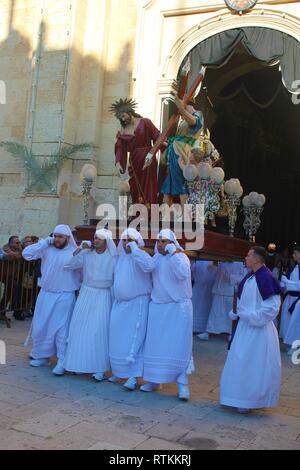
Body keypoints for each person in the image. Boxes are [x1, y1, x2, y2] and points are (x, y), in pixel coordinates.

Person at [220, 246, 281, 414]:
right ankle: (237, 396)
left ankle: (250, 400)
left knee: (253, 364)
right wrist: (237, 313)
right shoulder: (250, 276)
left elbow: (272, 308)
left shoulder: (266, 278)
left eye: (248, 256)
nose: (246, 258)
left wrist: (249, 316)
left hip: (258, 331)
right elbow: (244, 301)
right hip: (244, 328)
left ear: (257, 259)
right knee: (239, 361)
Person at [138, 229, 193, 401]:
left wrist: (174, 254)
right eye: (159, 241)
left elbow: (182, 274)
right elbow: (147, 267)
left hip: (178, 308)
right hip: (158, 307)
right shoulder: (156, 258)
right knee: (155, 345)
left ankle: (183, 384)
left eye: (165, 241)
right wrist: (135, 250)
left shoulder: (181, 257)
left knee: (179, 346)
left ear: (172, 243)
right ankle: (154, 380)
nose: (161, 244)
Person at [22, 225, 81, 375]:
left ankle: (62, 360)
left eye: (60, 236)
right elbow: (26, 254)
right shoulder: (46, 249)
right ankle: (42, 356)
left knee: (61, 329)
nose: (57, 239)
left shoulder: (74, 252)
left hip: (64, 295)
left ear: (68, 238)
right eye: (55, 236)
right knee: (41, 326)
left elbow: (81, 272)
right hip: (46, 294)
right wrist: (44, 242)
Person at [63, 229, 117, 379]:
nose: (96, 241)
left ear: (106, 241)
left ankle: (99, 368)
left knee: (99, 330)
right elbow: (69, 264)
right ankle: (78, 364)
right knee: (79, 329)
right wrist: (79, 249)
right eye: (95, 238)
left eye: (99, 239)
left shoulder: (114, 257)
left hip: (103, 295)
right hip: (86, 293)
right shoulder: (86, 254)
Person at [109, 228, 152, 390]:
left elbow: (149, 266)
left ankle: (133, 376)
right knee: (117, 338)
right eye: (125, 240)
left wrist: (135, 249)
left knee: (134, 340)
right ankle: (119, 372)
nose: (127, 243)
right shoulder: (120, 258)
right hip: (119, 304)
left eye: (130, 240)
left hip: (137, 303)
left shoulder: (141, 255)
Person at [110, 98, 161, 206]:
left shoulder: (145, 122)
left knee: (149, 187)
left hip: (148, 159)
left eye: (123, 116)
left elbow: (157, 136)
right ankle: (139, 214)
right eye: (120, 118)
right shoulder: (123, 131)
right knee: (135, 187)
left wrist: (162, 145)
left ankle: (151, 215)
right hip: (134, 162)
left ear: (129, 112)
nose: (122, 119)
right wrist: (118, 162)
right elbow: (119, 147)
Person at [160, 95, 204, 210]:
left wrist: (182, 109)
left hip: (181, 152)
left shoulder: (198, 114)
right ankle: (164, 218)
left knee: (181, 184)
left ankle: (186, 218)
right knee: (168, 187)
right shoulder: (183, 118)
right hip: (175, 150)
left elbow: (194, 123)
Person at [199, 261, 247, 340]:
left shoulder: (240, 263)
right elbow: (210, 270)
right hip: (219, 290)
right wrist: (214, 264)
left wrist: (230, 278)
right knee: (214, 313)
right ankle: (208, 331)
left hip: (230, 292)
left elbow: (243, 277)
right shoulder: (221, 261)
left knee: (229, 315)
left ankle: (231, 333)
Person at [281, 246, 300, 355]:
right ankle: (292, 343)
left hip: (297, 299)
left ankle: (296, 346)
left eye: (295, 253)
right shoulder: (295, 267)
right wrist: (283, 284)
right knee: (289, 322)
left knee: (296, 323)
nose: (293, 255)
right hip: (290, 297)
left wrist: (288, 282)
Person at [191, 260, 217, 334]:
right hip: (200, 288)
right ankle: (195, 326)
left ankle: (203, 327)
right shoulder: (198, 261)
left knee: (204, 307)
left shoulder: (198, 261)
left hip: (207, 289)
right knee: (198, 307)